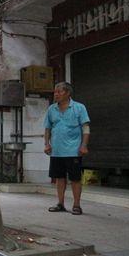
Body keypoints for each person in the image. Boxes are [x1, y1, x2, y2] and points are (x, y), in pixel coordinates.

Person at [44, 82, 90, 215]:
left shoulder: (79, 108)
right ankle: (60, 203)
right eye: (55, 92)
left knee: (75, 178)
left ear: (68, 93)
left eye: (59, 92)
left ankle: (76, 205)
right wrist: (47, 144)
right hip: (56, 151)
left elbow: (86, 128)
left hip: (73, 150)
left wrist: (84, 145)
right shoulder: (52, 109)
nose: (56, 94)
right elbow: (47, 128)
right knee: (59, 178)